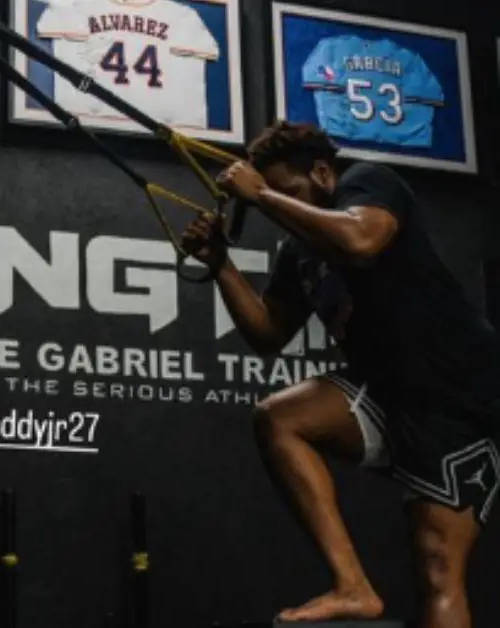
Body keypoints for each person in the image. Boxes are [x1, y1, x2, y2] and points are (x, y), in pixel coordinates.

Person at [182, 120, 500, 628]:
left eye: (288, 190)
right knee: (280, 418)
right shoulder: (298, 251)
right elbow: (267, 335)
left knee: (438, 570)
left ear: (323, 172)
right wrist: (221, 264)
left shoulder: (370, 182)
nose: (276, 204)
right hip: (385, 389)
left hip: (456, 396)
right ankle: (352, 586)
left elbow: (360, 241)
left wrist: (261, 195)